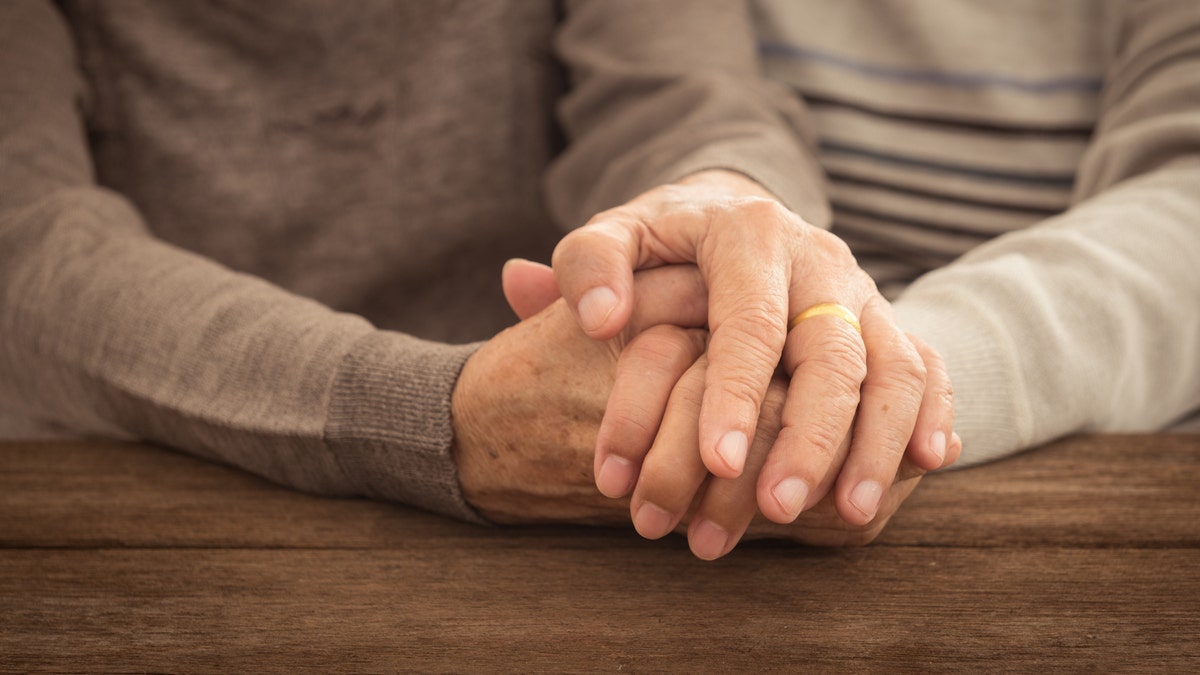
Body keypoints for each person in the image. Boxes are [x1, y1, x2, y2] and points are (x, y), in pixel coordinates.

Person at [0, 0, 946, 558]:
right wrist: (433, 413)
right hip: (137, 513)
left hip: (574, 510)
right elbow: (31, 251)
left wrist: (729, 228)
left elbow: (687, 96)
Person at [540, 0, 1200, 558]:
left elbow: (1185, 206)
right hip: (728, 425)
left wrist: (882, 369)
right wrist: (725, 215)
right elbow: (674, 97)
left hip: (1097, 473)